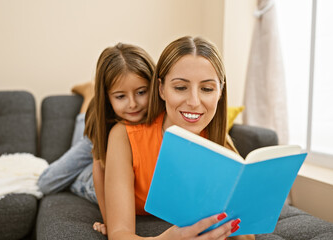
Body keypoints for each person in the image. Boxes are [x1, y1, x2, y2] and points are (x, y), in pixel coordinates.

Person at [102, 36, 255, 240]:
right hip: (92, 170)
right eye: (181, 87)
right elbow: (119, 234)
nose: (193, 101)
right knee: (92, 155)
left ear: (219, 92)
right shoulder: (124, 135)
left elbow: (246, 236)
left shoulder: (220, 146)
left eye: (207, 89)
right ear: (161, 89)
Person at [37, 42, 156, 235]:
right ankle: (88, 95)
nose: (133, 104)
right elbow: (99, 170)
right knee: (47, 183)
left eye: (141, 92)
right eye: (120, 96)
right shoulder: (104, 123)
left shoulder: (160, 114)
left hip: (116, 158)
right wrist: (110, 221)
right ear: (107, 97)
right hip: (97, 142)